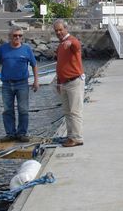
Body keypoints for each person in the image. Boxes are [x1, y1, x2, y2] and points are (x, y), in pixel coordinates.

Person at [0, 25, 39, 143]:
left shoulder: (27, 49)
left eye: (20, 36)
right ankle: (10, 133)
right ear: (10, 36)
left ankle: (22, 133)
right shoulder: (3, 49)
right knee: (7, 110)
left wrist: (36, 81)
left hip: (22, 84)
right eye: (15, 35)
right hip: (7, 84)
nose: (17, 37)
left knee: (23, 110)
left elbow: (34, 65)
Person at [53, 19, 85, 148]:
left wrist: (70, 42)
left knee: (75, 111)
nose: (59, 32)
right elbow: (61, 64)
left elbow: (77, 45)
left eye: (60, 30)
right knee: (67, 111)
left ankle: (77, 137)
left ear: (66, 29)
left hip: (74, 82)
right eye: (56, 31)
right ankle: (71, 136)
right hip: (64, 83)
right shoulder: (60, 45)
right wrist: (59, 82)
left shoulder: (70, 40)